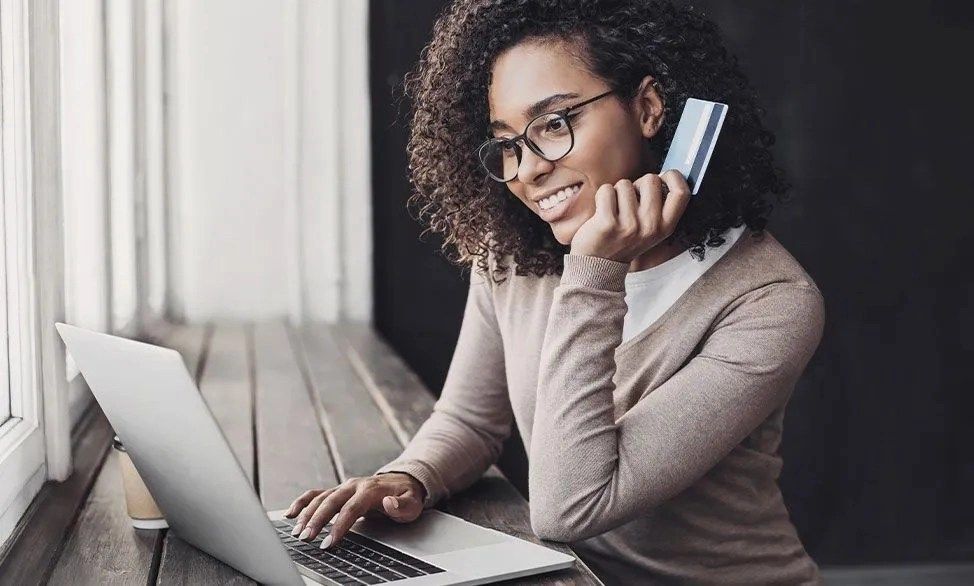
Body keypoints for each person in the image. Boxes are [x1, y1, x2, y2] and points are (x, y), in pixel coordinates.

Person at [285, 0, 825, 583]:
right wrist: (409, 476)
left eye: (555, 123)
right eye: (509, 142)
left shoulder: (770, 302)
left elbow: (571, 507)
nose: (527, 169)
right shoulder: (514, 258)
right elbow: (470, 419)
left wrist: (595, 271)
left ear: (647, 108)